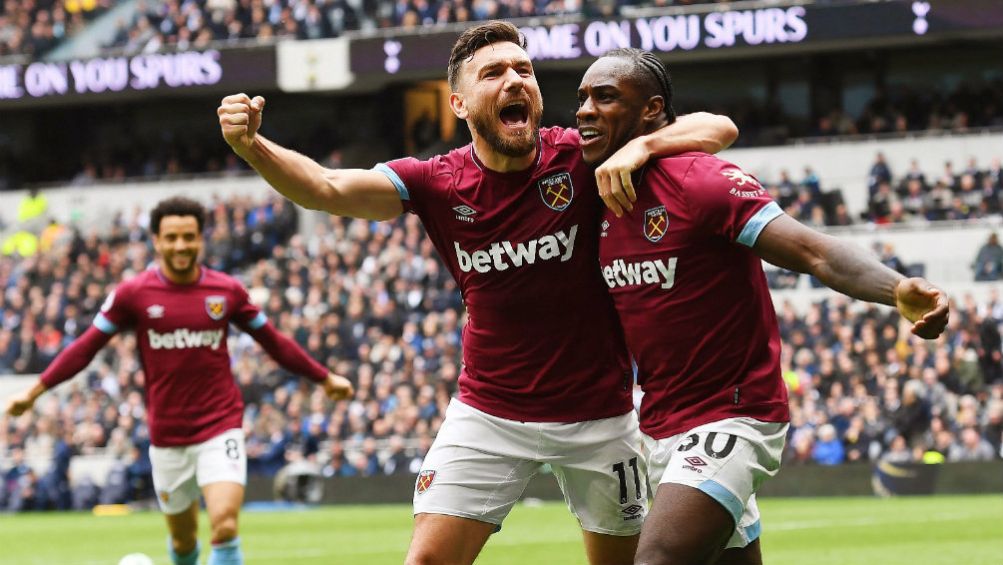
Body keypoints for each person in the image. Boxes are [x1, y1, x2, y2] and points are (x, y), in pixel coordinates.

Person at [216, 20, 736, 565]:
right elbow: (325, 187)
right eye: (493, 73)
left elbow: (717, 127)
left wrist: (642, 148)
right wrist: (252, 146)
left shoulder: (581, 155)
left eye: (524, 70)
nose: (514, 80)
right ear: (460, 104)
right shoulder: (435, 181)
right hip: (489, 413)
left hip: (600, 418)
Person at [575, 48, 950, 565]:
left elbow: (813, 250)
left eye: (605, 96)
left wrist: (895, 288)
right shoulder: (588, 184)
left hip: (732, 416)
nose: (585, 110)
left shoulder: (698, 180)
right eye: (582, 98)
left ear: (651, 109)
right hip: (659, 424)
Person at [5, 197, 354, 565]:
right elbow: (86, 347)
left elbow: (274, 342)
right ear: (156, 240)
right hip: (168, 438)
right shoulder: (133, 295)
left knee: (224, 526)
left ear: (201, 238)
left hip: (220, 428)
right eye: (171, 237)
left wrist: (324, 378)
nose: (181, 245)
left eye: (189, 236)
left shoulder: (227, 291)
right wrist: (34, 391)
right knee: (184, 543)